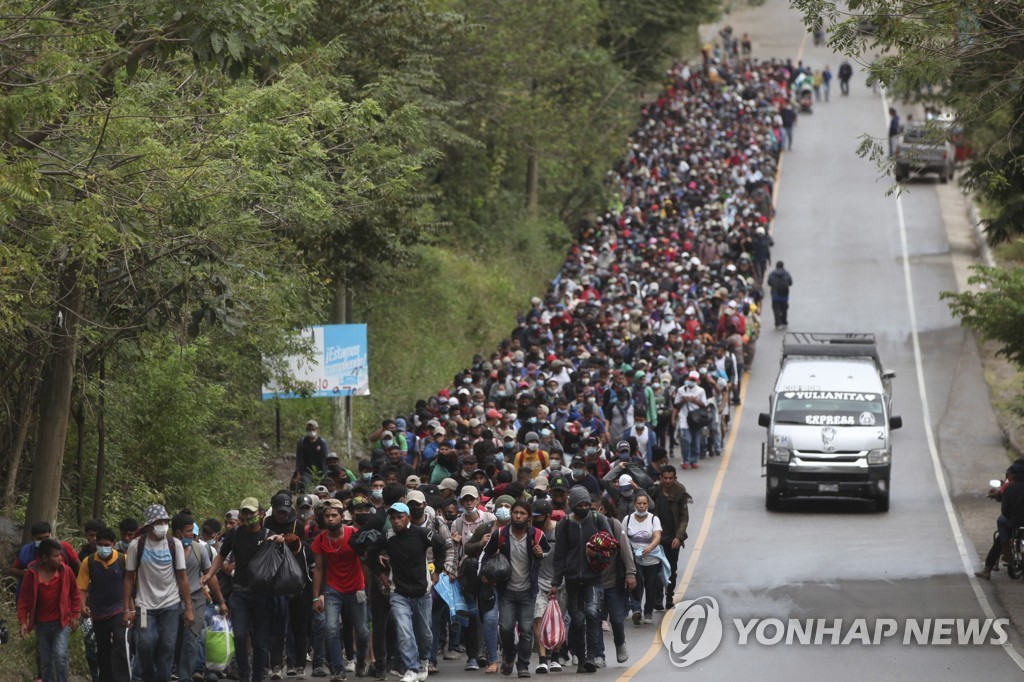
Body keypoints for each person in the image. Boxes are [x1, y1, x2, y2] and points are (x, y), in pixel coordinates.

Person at [370, 502, 447, 682]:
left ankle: (423, 662)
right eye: (393, 518)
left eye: (400, 517)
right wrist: (381, 574)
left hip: (422, 591)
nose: (396, 521)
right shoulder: (388, 537)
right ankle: (411, 668)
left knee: (424, 633)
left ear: (409, 518)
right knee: (404, 632)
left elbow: (441, 545)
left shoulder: (421, 533)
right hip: (399, 593)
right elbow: (371, 553)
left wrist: (437, 571)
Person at [204, 497, 275, 682]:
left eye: (252, 513)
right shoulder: (235, 534)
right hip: (240, 593)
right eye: (245, 512)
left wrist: (281, 541)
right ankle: (244, 675)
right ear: (241, 514)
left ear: (260, 514)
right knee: (240, 635)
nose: (249, 516)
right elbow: (221, 555)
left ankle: (258, 676)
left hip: (262, 594)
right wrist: (210, 574)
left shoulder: (269, 534)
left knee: (260, 641)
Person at [122, 504, 194, 682]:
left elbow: (182, 577)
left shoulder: (174, 544)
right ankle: (148, 676)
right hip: (145, 606)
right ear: (149, 525)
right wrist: (127, 609)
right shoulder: (136, 546)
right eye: (159, 522)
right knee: (145, 644)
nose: (163, 525)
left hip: (170, 605)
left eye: (165, 521)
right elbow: (129, 578)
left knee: (167, 647)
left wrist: (189, 608)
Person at [481, 499, 550, 677]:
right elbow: (486, 553)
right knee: (505, 628)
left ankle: (523, 665)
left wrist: (540, 554)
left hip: (528, 591)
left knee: (527, 630)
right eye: (515, 512)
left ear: (528, 517)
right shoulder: (501, 534)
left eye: (522, 513)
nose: (518, 516)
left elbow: (548, 552)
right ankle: (509, 655)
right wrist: (484, 574)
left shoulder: (537, 535)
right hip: (506, 591)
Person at [548, 486, 613, 674]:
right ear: (572, 505)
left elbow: (611, 548)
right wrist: (555, 583)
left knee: (592, 613)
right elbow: (559, 556)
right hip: (572, 580)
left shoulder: (598, 520)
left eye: (587, 504)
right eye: (580, 504)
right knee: (577, 620)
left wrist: (596, 555)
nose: (584, 507)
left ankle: (592, 656)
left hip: (594, 578)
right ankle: (581, 659)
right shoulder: (564, 525)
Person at [312, 498, 369, 680]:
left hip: (356, 588)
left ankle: (361, 660)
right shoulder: (320, 539)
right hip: (333, 590)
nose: (330, 519)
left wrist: (366, 588)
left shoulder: (354, 534)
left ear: (341, 517)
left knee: (362, 631)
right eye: (327, 516)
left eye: (334, 515)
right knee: (330, 628)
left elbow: (365, 562)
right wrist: (315, 597)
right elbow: (319, 569)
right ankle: (338, 669)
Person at [17, 538, 82, 682]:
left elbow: (75, 594)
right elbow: (24, 599)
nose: (60, 558)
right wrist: (22, 621)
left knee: (60, 655)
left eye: (60, 555)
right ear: (45, 558)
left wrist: (75, 615)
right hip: (41, 624)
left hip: (61, 622)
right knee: (46, 661)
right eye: (56, 556)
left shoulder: (66, 571)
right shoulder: (32, 573)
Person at [173, 513, 227, 682]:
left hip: (196, 599)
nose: (192, 534)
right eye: (188, 531)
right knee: (173, 641)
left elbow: (209, 575)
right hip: (172, 600)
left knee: (191, 640)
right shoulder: (168, 550)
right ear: (177, 533)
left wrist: (221, 600)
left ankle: (185, 677)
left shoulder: (199, 549)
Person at [77, 527, 131, 682]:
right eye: (100, 544)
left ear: (113, 544)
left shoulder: (123, 560)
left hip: (119, 608)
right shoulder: (89, 562)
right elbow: (81, 586)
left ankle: (122, 678)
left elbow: (130, 585)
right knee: (102, 648)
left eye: (107, 544)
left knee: (121, 641)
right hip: (98, 611)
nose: (103, 547)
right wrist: (82, 605)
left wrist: (131, 609)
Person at [647, 465, 690, 606]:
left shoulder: (680, 492)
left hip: (672, 539)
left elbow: (684, 517)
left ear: (675, 478)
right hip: (657, 538)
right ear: (661, 478)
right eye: (665, 478)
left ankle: (669, 596)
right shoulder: (655, 491)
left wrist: (678, 536)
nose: (667, 481)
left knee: (671, 569)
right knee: (657, 569)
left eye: (670, 478)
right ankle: (658, 598)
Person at [976, 463, 1024, 579]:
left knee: (1001, 523)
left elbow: (1005, 508)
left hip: (1014, 521)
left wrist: (1010, 517)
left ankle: (1004, 553)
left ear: (1013, 475)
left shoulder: (1009, 487)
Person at [623, 493, 662, 625]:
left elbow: (657, 536)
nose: (641, 506)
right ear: (635, 504)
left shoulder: (653, 519)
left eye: (644, 503)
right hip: (634, 558)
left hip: (652, 558)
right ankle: (636, 609)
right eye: (639, 503)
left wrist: (649, 547)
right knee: (636, 582)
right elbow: (623, 538)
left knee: (650, 585)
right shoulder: (627, 519)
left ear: (648, 505)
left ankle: (648, 611)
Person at [672, 372, 707, 470]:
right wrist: (684, 400)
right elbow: (676, 405)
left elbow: (704, 404)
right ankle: (686, 460)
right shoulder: (681, 390)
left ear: (697, 381)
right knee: (686, 440)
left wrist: (694, 400)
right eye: (691, 379)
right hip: (684, 418)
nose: (692, 381)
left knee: (696, 441)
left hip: (696, 419)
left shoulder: (700, 391)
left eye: (694, 380)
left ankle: (694, 460)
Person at [295, 419, 330, 492]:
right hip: (306, 472)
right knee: (308, 490)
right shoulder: (302, 442)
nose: (311, 431)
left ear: (317, 429)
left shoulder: (322, 442)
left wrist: (326, 472)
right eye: (309, 429)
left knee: (320, 490)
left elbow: (326, 458)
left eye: (313, 429)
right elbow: (299, 458)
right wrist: (298, 473)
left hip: (320, 472)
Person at [766, 261, 793, 330]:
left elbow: (769, 283)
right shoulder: (787, 274)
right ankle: (784, 321)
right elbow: (790, 283)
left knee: (776, 309)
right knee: (784, 308)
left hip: (775, 295)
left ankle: (778, 323)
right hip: (784, 295)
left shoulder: (772, 274)